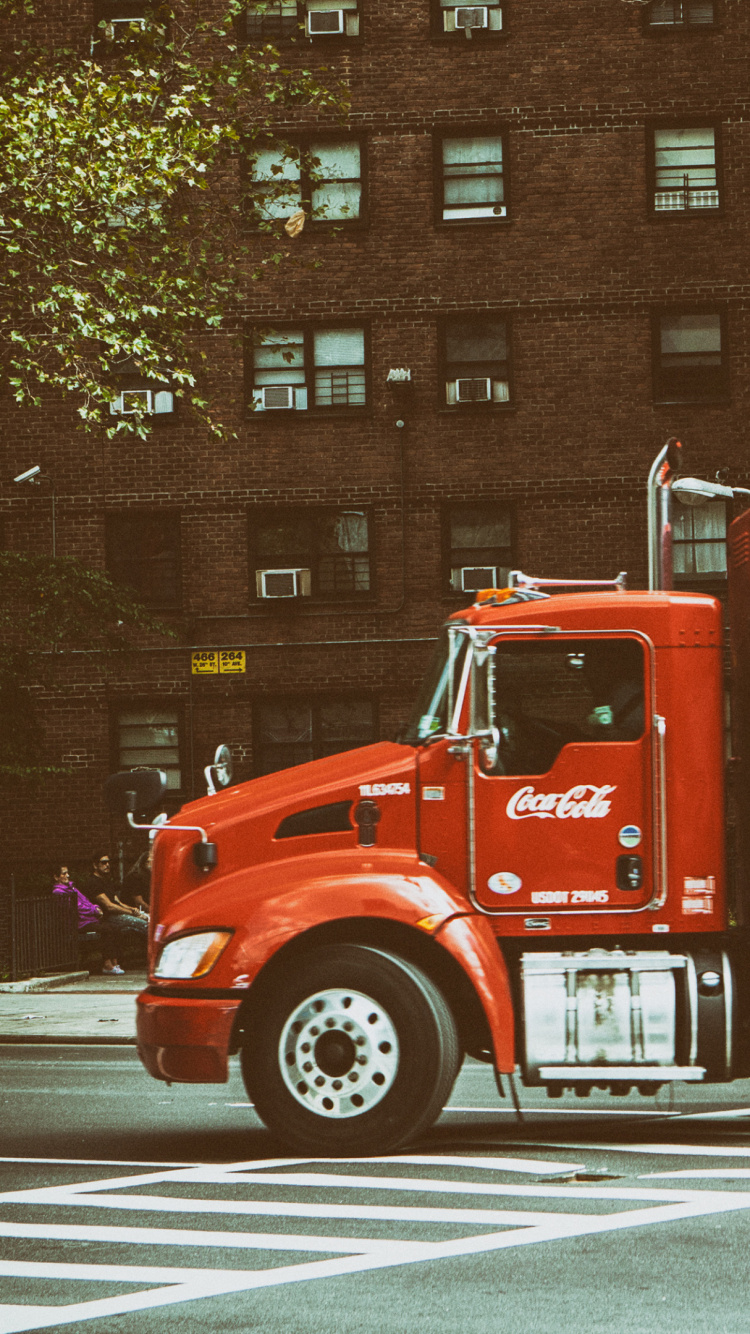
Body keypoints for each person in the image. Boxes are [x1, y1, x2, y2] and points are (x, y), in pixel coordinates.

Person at [51, 863, 124, 975]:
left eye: (67, 873)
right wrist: (94, 911)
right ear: (56, 877)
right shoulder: (59, 892)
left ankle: (115, 962)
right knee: (107, 930)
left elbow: (85, 901)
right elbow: (76, 908)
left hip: (87, 920)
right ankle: (107, 965)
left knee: (115, 927)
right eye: (64, 873)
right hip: (77, 924)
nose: (67, 875)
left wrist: (95, 907)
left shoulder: (72, 888)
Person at [81, 851, 149, 952]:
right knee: (144, 925)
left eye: (108, 862)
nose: (107, 865)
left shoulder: (107, 881)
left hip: (116, 915)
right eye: (103, 862)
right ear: (95, 865)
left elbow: (118, 902)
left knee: (147, 919)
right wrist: (131, 913)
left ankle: (145, 953)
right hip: (106, 918)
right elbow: (109, 907)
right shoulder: (93, 883)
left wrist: (133, 909)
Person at [119, 846, 151, 914]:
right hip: (131, 911)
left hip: (141, 911)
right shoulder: (135, 877)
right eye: (149, 862)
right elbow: (139, 902)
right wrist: (154, 912)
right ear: (144, 863)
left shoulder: (149, 876)